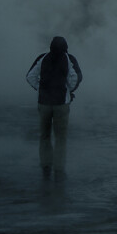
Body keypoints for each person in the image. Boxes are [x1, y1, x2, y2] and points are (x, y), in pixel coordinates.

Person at [26, 36, 83, 182]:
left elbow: (30, 76)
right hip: (61, 104)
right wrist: (68, 91)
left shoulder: (43, 57)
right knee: (60, 138)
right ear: (65, 48)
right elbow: (74, 78)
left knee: (44, 136)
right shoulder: (68, 58)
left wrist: (40, 89)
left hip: (44, 103)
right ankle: (59, 169)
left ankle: (45, 167)